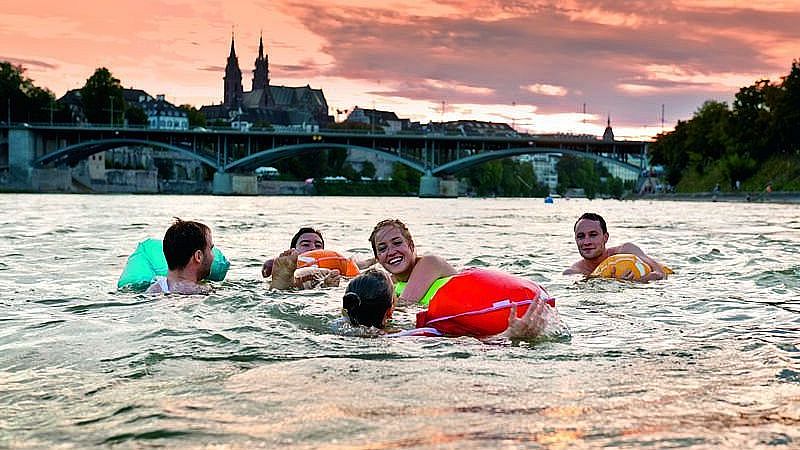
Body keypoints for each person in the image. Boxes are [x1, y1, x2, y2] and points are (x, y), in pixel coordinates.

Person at [341, 269, 556, 340]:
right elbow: (471, 344)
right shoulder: (414, 336)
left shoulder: (341, 330)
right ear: (390, 310)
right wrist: (510, 335)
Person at [369, 219, 457, 305]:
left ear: (411, 245)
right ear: (378, 259)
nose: (391, 252)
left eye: (397, 243)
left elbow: (406, 303)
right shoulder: (389, 284)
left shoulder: (430, 263)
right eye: (382, 249)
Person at [563, 212, 668, 282]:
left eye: (593, 235)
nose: (586, 242)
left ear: (605, 237)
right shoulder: (573, 273)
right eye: (581, 236)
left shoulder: (626, 250)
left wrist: (637, 282)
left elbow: (660, 274)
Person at [262, 227, 374, 278]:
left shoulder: (335, 265)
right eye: (305, 244)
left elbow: (361, 265)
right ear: (293, 250)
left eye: (318, 245)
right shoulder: (284, 265)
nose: (313, 248)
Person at [146, 219, 215, 294]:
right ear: (198, 256)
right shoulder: (202, 290)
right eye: (211, 249)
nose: (213, 256)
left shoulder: (155, 288)